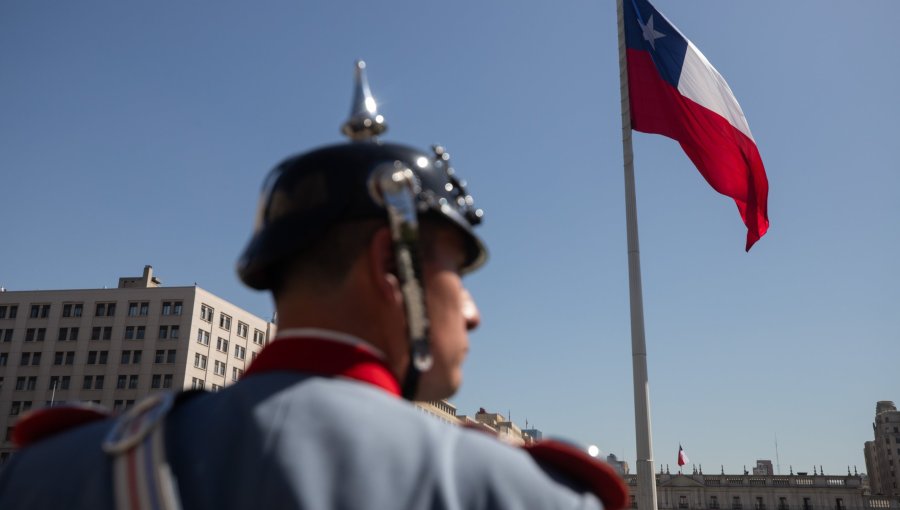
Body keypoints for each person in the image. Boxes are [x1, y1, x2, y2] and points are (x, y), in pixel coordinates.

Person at [0, 61, 626, 510]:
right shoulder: (514, 492)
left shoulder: (51, 471)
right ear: (393, 265)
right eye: (455, 274)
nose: (471, 312)